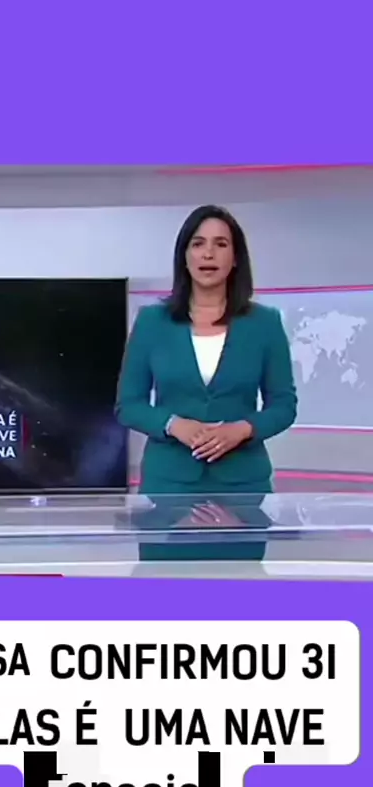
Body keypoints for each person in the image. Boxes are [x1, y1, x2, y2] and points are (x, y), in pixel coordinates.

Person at [115, 204, 298, 562]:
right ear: (184, 256)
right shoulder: (152, 322)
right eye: (198, 244)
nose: (208, 253)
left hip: (242, 493)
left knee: (236, 591)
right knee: (165, 591)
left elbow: (283, 405)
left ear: (235, 257)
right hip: (168, 491)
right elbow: (128, 405)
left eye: (220, 244)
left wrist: (242, 429)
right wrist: (173, 424)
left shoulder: (264, 324)